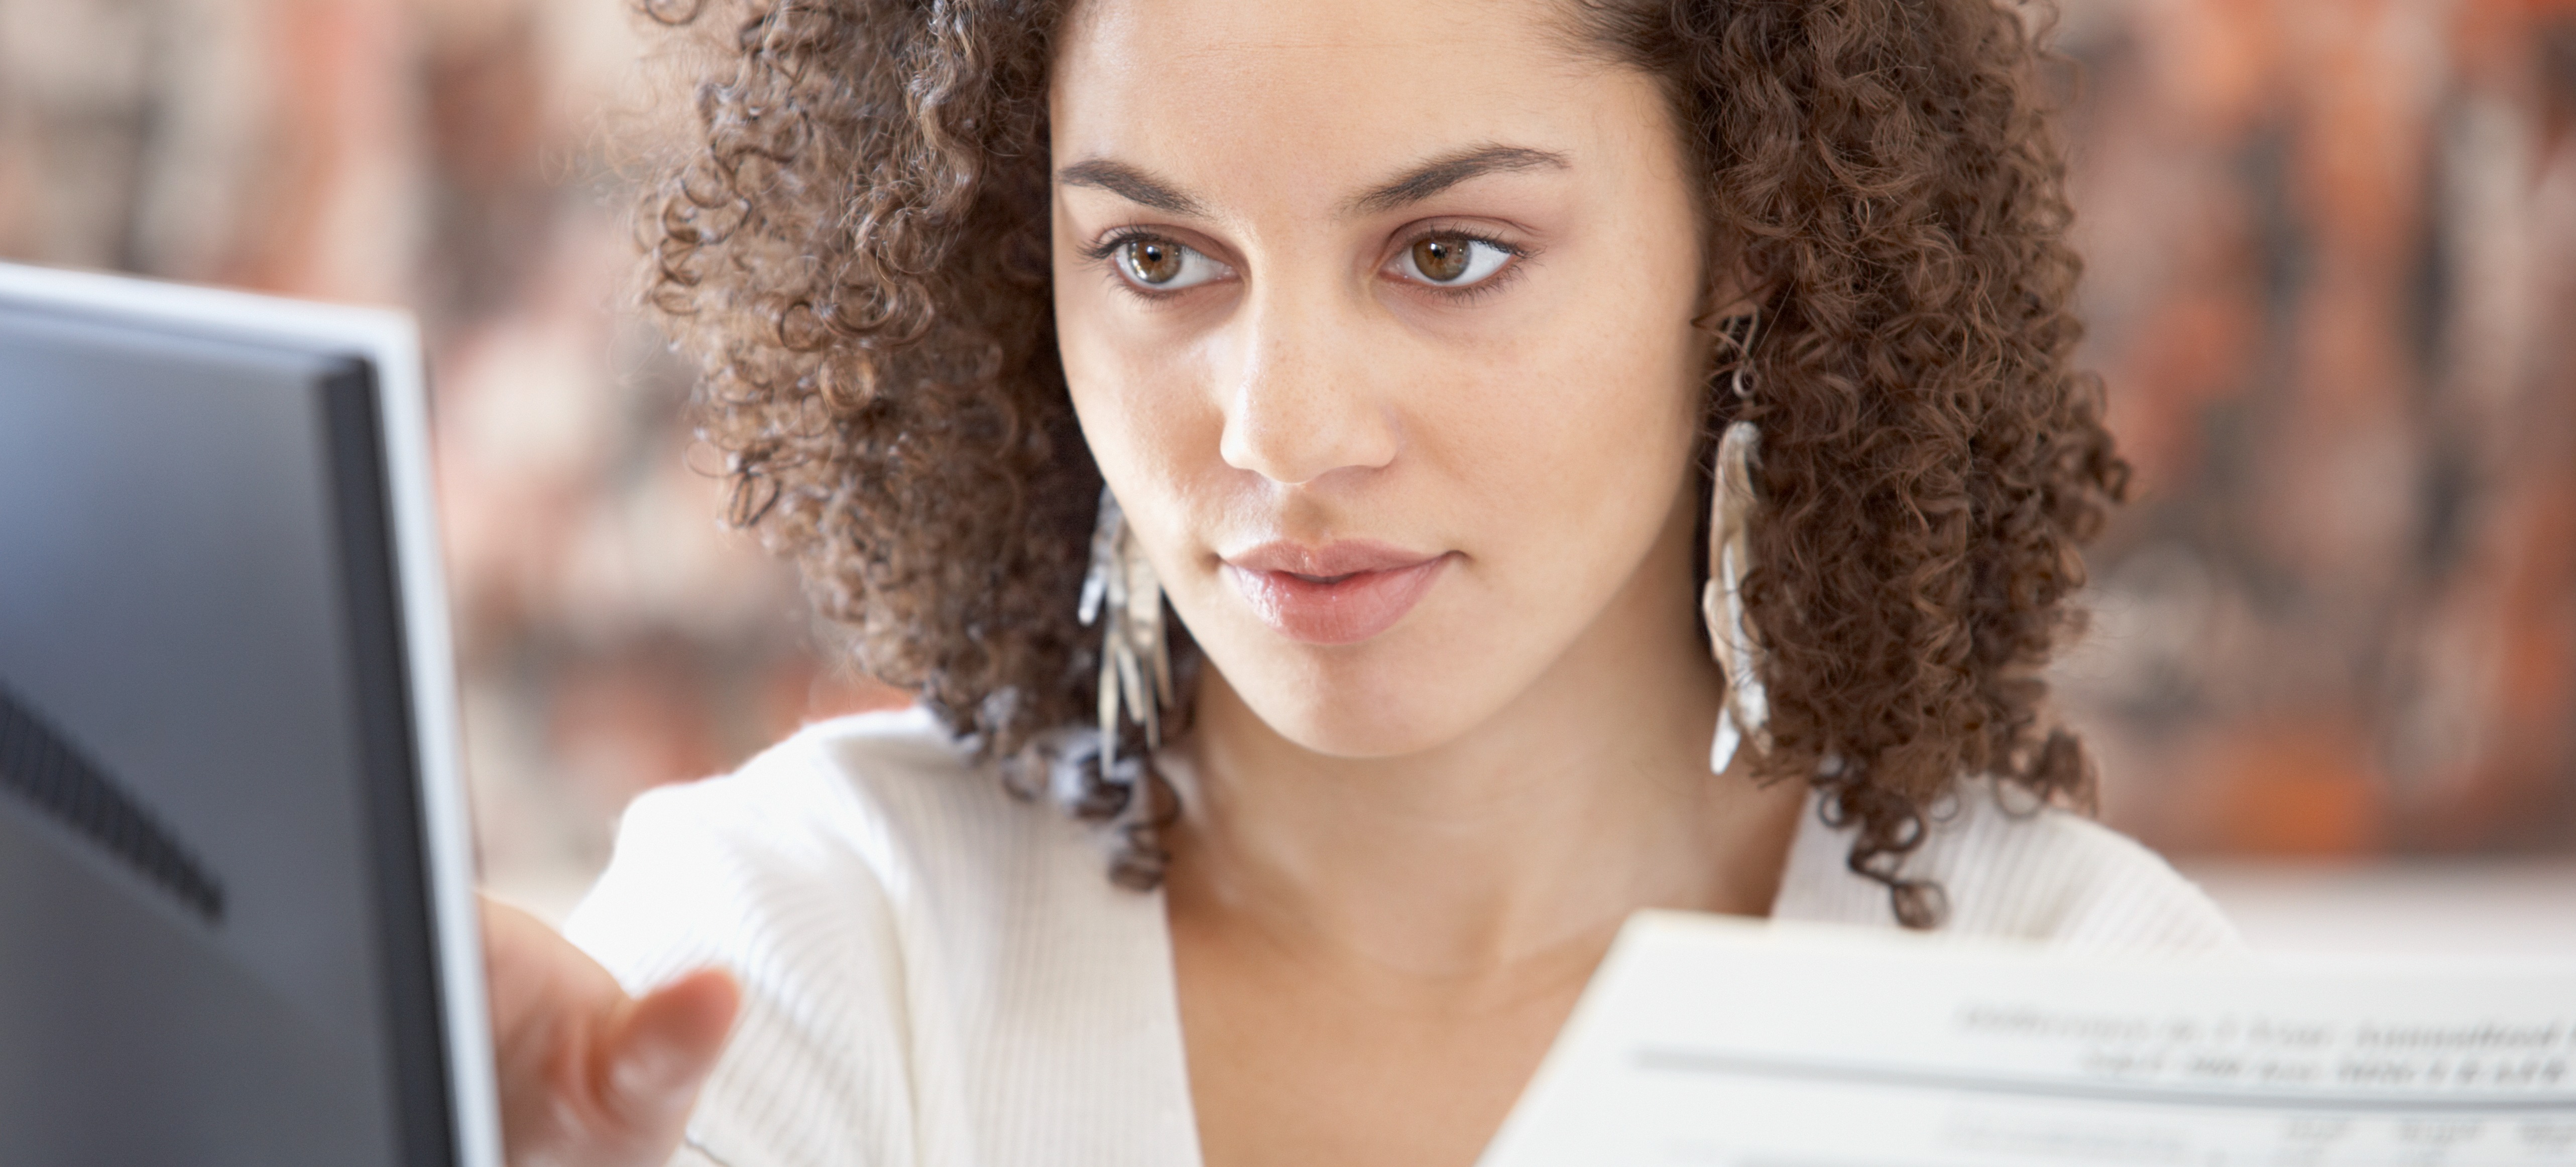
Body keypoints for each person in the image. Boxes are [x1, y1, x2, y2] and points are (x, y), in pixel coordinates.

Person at [482, 0, 2240, 1163]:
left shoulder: (2089, 1015)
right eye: (1155, 256)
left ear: (1746, 249)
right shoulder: (812, 946)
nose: (1283, 433)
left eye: (1447, 254)